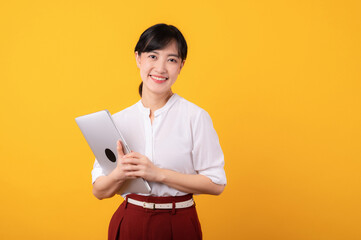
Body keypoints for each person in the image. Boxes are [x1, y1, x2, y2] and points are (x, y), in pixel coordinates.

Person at [91, 23, 227, 240]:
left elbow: (216, 183)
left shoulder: (195, 117)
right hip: (129, 221)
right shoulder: (117, 121)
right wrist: (120, 173)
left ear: (181, 65)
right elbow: (99, 191)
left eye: (171, 59)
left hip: (178, 221)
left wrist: (158, 174)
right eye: (153, 56)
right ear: (138, 58)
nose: (161, 68)